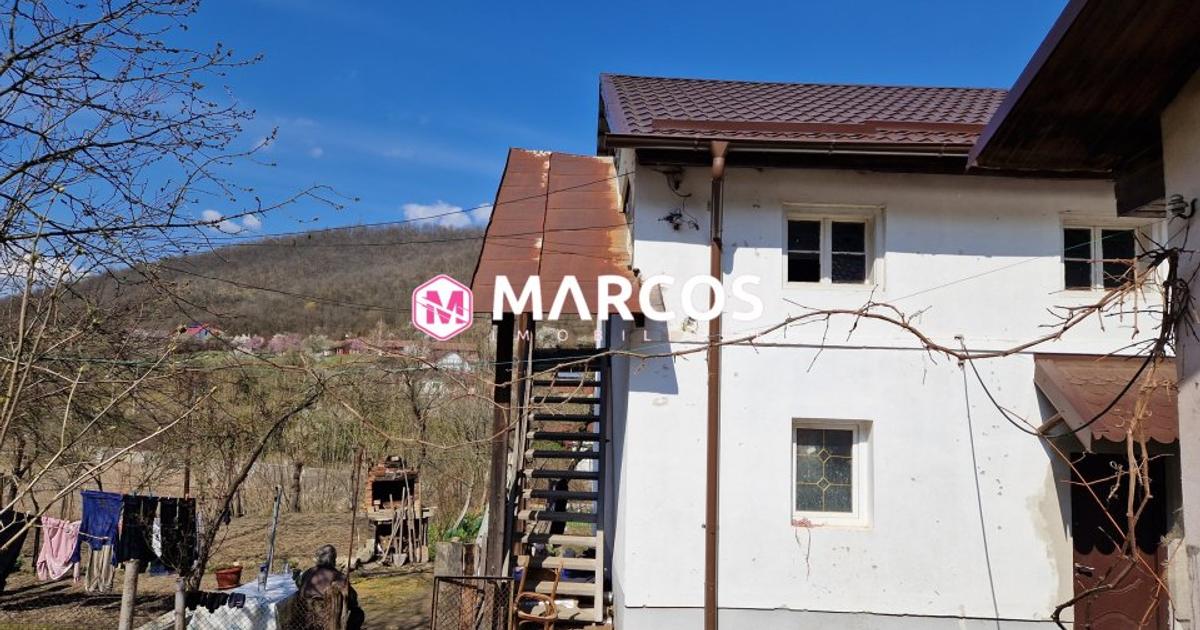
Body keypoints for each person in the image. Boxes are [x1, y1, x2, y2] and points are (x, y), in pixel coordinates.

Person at [294, 545, 364, 630]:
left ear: (319, 558)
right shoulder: (339, 577)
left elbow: (300, 585)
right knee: (358, 613)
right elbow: (353, 600)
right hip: (329, 621)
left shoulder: (308, 572)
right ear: (333, 559)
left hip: (305, 619)